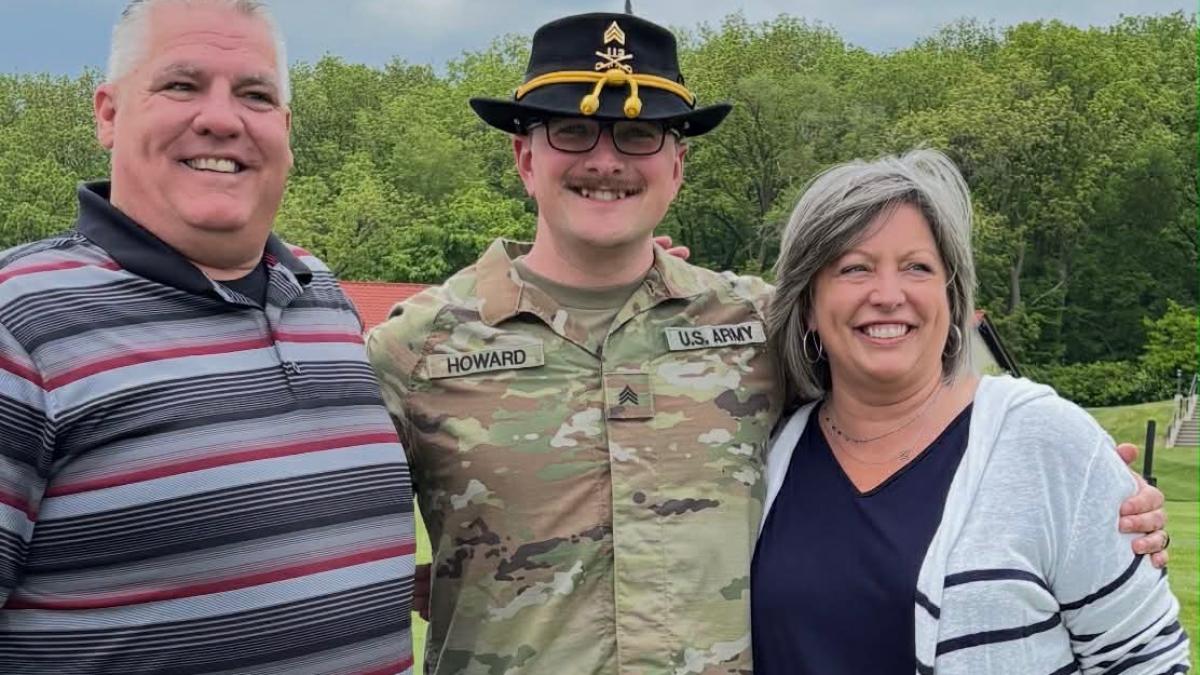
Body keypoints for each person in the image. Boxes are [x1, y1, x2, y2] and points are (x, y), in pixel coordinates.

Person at [365, 11, 1168, 675]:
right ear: (523, 155)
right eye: (574, 133)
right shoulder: (413, 352)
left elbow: (910, 405)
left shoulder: (756, 326)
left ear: (677, 165)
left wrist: (1086, 502)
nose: (606, 160)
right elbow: (317, 529)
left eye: (640, 137)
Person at [0, 1, 414, 673]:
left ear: (284, 128)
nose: (222, 119)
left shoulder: (323, 299)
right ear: (108, 113)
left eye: (255, 95)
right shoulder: (19, 323)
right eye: (181, 85)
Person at [753, 149, 1188, 673]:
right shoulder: (767, 451)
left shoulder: (1044, 439)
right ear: (807, 307)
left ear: (951, 295)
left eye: (917, 267)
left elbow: (1145, 659)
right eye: (854, 268)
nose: (888, 295)